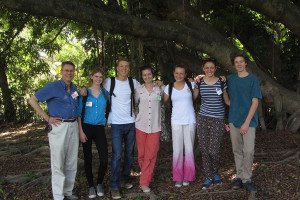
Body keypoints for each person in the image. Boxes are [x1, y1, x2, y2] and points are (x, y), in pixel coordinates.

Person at [80, 59, 141, 199]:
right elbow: (94, 84)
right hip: (116, 124)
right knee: (117, 155)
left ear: (129, 68)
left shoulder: (134, 82)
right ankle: (114, 186)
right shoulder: (109, 82)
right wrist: (83, 86)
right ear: (117, 68)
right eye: (121, 66)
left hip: (131, 123)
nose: (124, 68)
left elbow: (146, 91)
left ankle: (124, 179)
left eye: (127, 66)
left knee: (130, 154)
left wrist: (158, 84)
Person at [28, 61, 79, 200]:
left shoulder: (74, 88)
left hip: (73, 125)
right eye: (66, 70)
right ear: (61, 72)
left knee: (71, 161)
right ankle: (58, 196)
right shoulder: (53, 87)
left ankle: (68, 192)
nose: (69, 73)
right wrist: (47, 117)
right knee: (58, 161)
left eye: (72, 71)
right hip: (59, 127)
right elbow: (32, 100)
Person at [227, 52, 262, 192]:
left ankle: (247, 179)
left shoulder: (253, 80)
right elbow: (215, 81)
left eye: (241, 61)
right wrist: (198, 78)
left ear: (246, 63)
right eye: (236, 62)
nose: (239, 64)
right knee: (237, 150)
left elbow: (255, 102)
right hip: (234, 119)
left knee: (248, 151)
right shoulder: (230, 79)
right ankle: (239, 177)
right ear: (234, 64)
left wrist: (247, 122)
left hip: (249, 121)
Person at [194, 58, 230, 189]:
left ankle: (215, 172)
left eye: (212, 67)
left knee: (213, 150)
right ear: (203, 68)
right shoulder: (200, 82)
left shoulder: (221, 82)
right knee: (204, 150)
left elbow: (226, 99)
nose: (209, 70)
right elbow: (193, 97)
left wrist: (234, 105)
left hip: (218, 119)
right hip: (203, 118)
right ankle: (209, 176)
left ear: (215, 69)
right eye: (207, 67)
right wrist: (191, 82)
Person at [163, 64, 197, 188]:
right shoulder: (169, 87)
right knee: (177, 150)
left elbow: (195, 97)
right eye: (176, 73)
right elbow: (162, 101)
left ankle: (188, 176)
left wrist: (196, 83)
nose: (179, 75)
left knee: (189, 149)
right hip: (176, 121)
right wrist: (158, 87)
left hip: (190, 120)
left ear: (185, 74)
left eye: (181, 73)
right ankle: (178, 177)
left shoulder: (191, 85)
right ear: (173, 73)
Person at [77, 68, 109, 198]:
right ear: (91, 77)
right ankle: (91, 185)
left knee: (104, 158)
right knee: (88, 157)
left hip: (99, 127)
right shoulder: (84, 93)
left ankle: (99, 183)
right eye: (96, 76)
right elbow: (79, 113)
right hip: (86, 127)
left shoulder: (105, 92)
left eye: (101, 77)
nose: (98, 79)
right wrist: (80, 131)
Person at [134, 66, 164, 193]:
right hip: (141, 126)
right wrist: (137, 116)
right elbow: (132, 105)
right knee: (141, 155)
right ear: (142, 76)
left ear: (153, 75)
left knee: (150, 154)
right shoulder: (138, 90)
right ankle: (148, 174)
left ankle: (144, 182)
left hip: (155, 127)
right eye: (144, 75)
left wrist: (162, 86)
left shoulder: (159, 89)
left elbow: (164, 101)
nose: (147, 77)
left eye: (149, 74)